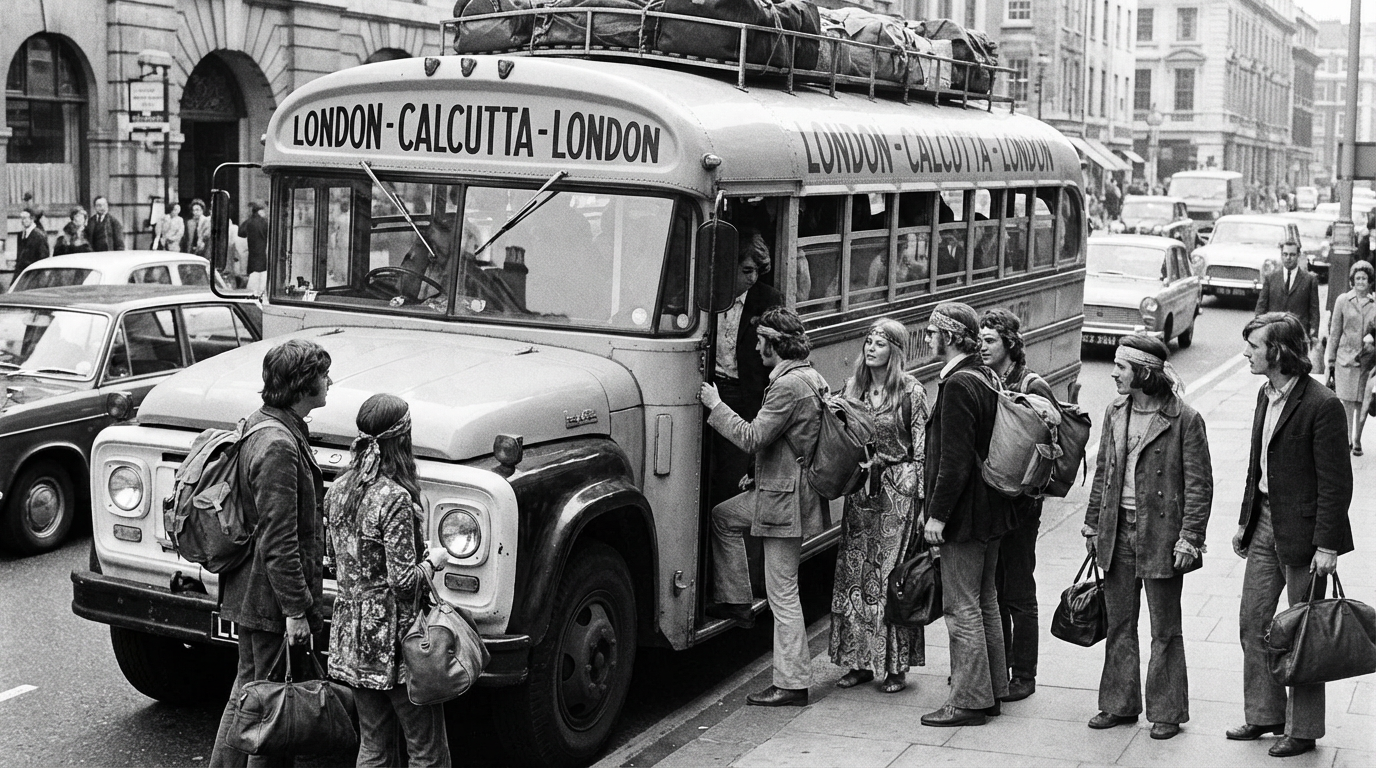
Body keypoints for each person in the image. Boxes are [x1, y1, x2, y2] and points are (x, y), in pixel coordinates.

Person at [1229, 312, 1354, 758]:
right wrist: (1246, 519)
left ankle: (1302, 730)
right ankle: (1264, 714)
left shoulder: (1323, 404)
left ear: (1278, 352)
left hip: (1305, 536)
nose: (1246, 353)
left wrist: (1327, 545)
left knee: (1305, 634)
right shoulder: (1266, 395)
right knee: (1254, 622)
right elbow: (1257, 464)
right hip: (1264, 521)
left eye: (1254, 346)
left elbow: (1337, 483)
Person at [1081, 335, 1213, 741]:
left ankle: (1167, 711)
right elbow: (1104, 470)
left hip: (1161, 534)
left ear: (1143, 372)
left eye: (1121, 367)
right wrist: (1092, 524)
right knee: (1120, 621)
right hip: (1117, 529)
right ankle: (1119, 705)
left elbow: (1199, 485)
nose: (1114, 373)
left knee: (1164, 628)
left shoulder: (1184, 419)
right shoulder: (1114, 411)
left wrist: (1190, 537)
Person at [209, 339, 331, 768]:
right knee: (270, 708)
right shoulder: (279, 444)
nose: (329, 382)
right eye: (323, 375)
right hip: (268, 596)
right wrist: (296, 609)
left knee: (248, 694)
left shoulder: (262, 423)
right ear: (303, 385)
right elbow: (280, 539)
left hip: (251, 588)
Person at [698, 307, 827, 708]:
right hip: (782, 489)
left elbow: (753, 436)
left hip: (783, 500)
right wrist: (757, 474)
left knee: (783, 593)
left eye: (760, 342)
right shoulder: (811, 376)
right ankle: (736, 599)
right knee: (724, 516)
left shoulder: (788, 386)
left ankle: (791, 683)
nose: (754, 348)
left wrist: (715, 404)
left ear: (776, 344)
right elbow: (788, 442)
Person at [326, 394, 452, 768]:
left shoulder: (339, 489)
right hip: (397, 643)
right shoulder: (393, 498)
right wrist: (433, 561)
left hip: (354, 638)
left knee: (374, 746)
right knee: (426, 750)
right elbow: (403, 581)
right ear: (403, 439)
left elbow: (334, 562)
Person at [919, 302, 1012, 728]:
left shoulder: (957, 385)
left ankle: (969, 701)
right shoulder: (986, 375)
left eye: (932, 332)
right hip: (991, 510)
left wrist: (937, 515)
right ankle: (993, 690)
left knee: (962, 608)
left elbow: (953, 461)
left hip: (966, 515)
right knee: (986, 600)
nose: (927, 338)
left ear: (952, 336)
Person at [829, 318, 929, 694]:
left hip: (897, 492)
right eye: (868, 341)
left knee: (888, 577)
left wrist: (921, 503)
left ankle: (895, 666)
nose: (871, 348)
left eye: (880, 343)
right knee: (854, 575)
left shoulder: (910, 391)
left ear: (896, 351)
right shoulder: (853, 386)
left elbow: (921, 449)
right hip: (861, 493)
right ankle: (858, 661)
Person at [978, 309, 1055, 703]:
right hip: (993, 500)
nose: (983, 345)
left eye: (990, 339)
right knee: (993, 586)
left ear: (1009, 342)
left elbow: (1048, 446)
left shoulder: (1031, 384)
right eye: (980, 338)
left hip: (1022, 504)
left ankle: (1023, 673)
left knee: (1019, 589)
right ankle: (999, 665)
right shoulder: (987, 379)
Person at [709, 231, 783, 507]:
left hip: (745, 395)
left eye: (757, 271)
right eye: (746, 270)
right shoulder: (709, 293)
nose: (752, 278)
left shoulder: (767, 299)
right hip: (711, 389)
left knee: (732, 476)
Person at [1325, 260, 1376, 454]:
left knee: (1361, 402)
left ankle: (1357, 440)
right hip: (1344, 359)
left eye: (1365, 278)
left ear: (1370, 281)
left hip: (1366, 362)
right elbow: (1335, 332)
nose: (1361, 282)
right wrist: (1330, 360)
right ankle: (1346, 439)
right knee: (1346, 402)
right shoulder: (1342, 301)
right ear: (1352, 281)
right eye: (1358, 278)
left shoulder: (1374, 304)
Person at [1254, 240, 1320, 341]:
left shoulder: (1309, 280)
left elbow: (1314, 310)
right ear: (1281, 255)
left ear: (1298, 255)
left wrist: (1313, 334)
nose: (1288, 258)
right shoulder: (1271, 278)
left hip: (1298, 337)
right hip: (1274, 335)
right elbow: (1261, 306)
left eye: (1292, 255)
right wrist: (1258, 329)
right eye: (1285, 254)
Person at [242, 201, 270, 294]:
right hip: (264, 257)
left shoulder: (250, 221)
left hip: (253, 258)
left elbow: (241, 232)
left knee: (253, 285)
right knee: (262, 282)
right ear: (260, 211)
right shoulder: (265, 223)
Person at [15, 208, 49, 273]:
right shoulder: (20, 235)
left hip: (34, 274)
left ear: (32, 218)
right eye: (21, 218)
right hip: (22, 273)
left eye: (25, 218)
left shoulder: (39, 235)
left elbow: (43, 257)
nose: (23, 221)